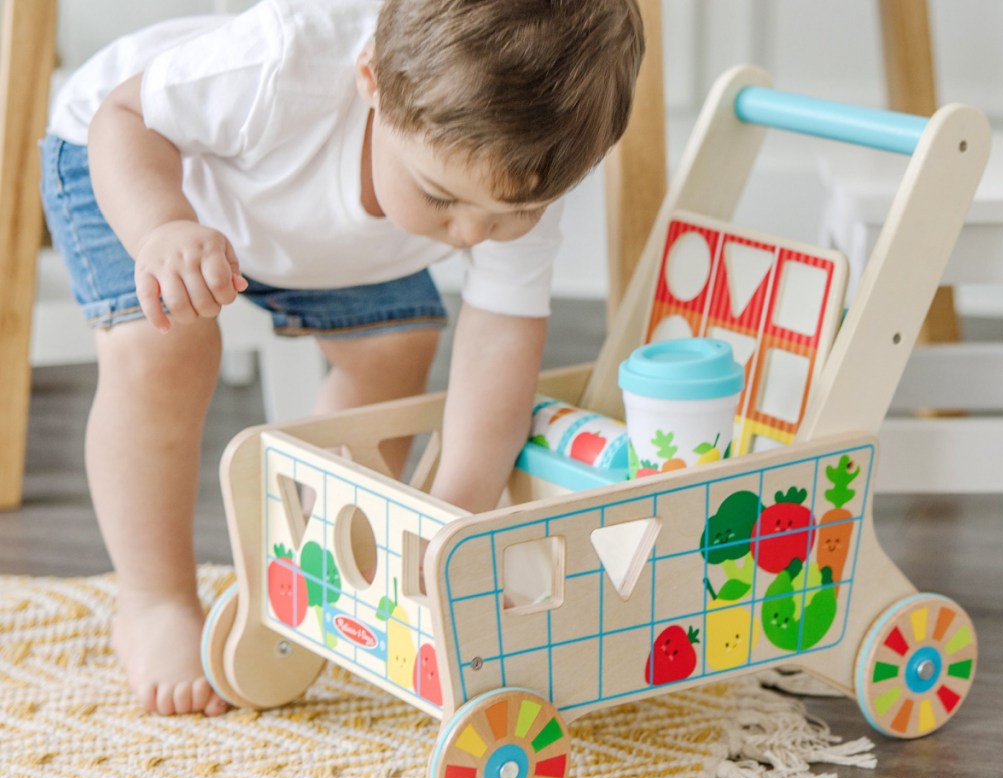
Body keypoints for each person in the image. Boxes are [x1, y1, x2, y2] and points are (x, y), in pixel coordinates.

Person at [40, 0, 644, 717]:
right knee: (168, 346)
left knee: (396, 344)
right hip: (141, 169)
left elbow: (501, 346)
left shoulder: (516, 170)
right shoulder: (279, 63)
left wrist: (454, 510)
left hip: (318, 238)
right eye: (442, 196)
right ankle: (153, 595)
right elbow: (125, 118)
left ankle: (317, 557)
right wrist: (163, 229)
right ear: (370, 82)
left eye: (518, 213)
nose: (474, 232)